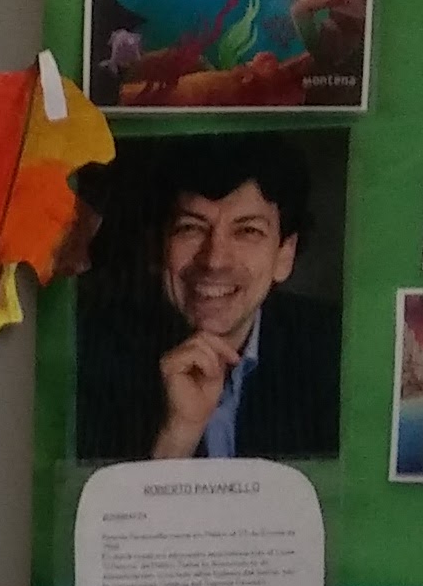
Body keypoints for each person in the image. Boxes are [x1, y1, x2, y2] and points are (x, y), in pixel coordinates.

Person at [75, 132, 342, 462]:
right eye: (191, 228)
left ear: (284, 255)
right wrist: (178, 435)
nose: (214, 260)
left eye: (247, 231)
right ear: (157, 248)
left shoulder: (333, 350)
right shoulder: (90, 359)